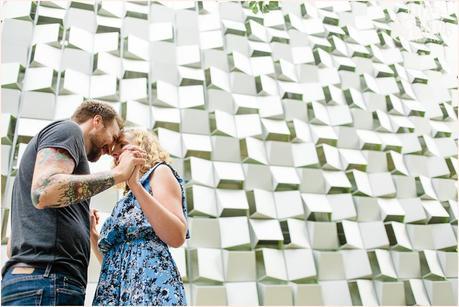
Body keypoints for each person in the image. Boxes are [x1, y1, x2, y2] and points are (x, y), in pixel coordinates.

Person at [1, 100, 146, 306]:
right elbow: (45, 191)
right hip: (47, 281)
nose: (110, 148)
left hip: (41, 281)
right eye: (112, 137)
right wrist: (118, 174)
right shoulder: (68, 130)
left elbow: (12, 247)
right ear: (97, 121)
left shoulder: (62, 154)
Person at [90, 128, 190, 306]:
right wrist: (92, 234)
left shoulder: (159, 173)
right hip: (118, 289)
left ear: (143, 147)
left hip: (149, 285)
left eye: (122, 145)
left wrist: (135, 185)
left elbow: (177, 236)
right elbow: (114, 259)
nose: (114, 152)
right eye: (114, 149)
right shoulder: (126, 197)